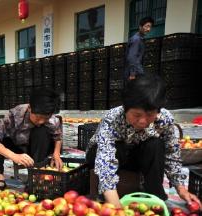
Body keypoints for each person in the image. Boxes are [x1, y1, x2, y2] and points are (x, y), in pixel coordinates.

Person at [86, 74, 200, 208]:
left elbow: (172, 155)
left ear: (158, 111)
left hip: (133, 155)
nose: (142, 121)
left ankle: (155, 197)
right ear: (125, 107)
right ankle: (106, 194)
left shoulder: (164, 119)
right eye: (136, 115)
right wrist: (116, 209)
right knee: (118, 147)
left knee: (156, 144)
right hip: (102, 156)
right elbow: (105, 163)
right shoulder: (112, 119)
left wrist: (182, 190)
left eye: (150, 115)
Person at [0, 88, 63, 189]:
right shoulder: (14, 114)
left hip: (41, 148)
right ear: (30, 108)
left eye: (45, 118)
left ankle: (36, 175)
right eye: (38, 118)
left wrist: (56, 153)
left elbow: (58, 136)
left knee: (41, 131)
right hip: (20, 147)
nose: (41, 121)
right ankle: (0, 178)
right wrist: (13, 156)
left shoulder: (51, 119)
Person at [125, 16, 154, 81]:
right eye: (147, 26)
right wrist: (132, 74)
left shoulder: (140, 39)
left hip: (138, 72)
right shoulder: (136, 39)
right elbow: (131, 57)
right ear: (140, 27)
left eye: (150, 27)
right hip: (134, 74)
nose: (149, 29)